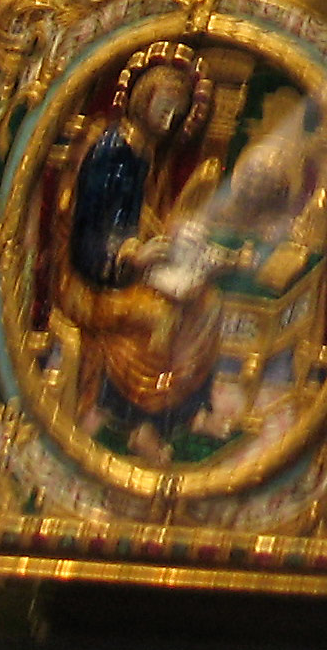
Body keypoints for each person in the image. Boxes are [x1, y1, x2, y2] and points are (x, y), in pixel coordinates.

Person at [60, 43, 222, 459]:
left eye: (176, 112)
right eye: (163, 108)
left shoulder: (146, 152)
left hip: (135, 269)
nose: (168, 119)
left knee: (207, 303)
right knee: (160, 317)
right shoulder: (112, 151)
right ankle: (138, 424)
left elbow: (144, 218)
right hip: (95, 278)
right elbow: (88, 235)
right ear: (142, 100)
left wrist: (175, 242)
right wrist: (131, 255)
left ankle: (190, 412)